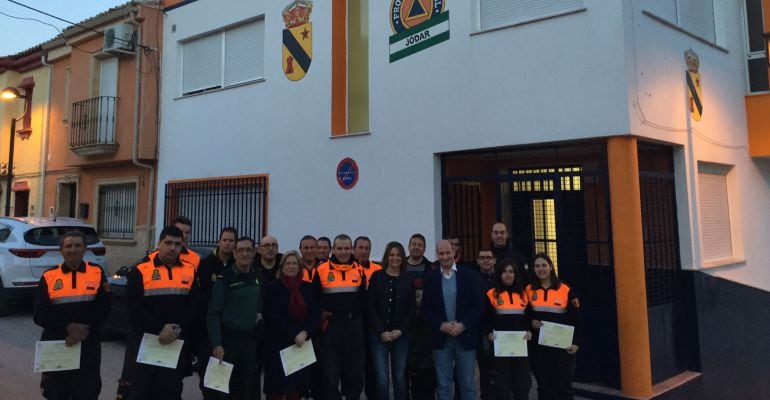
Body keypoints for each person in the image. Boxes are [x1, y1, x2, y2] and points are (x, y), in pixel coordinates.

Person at [122, 226, 200, 400]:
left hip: (175, 343)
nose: (173, 248)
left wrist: (176, 329)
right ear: (159, 244)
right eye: (168, 243)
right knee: (141, 391)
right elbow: (133, 307)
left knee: (171, 391)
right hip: (146, 343)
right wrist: (159, 328)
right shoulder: (141, 270)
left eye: (177, 244)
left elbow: (194, 305)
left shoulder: (190, 270)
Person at [33, 230, 110, 400]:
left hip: (87, 344)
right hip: (57, 343)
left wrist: (81, 332)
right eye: (68, 246)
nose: (73, 250)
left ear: (85, 249)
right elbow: (39, 314)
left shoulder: (97, 273)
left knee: (87, 391)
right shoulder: (49, 276)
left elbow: (104, 308)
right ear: (61, 250)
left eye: (78, 245)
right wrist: (69, 328)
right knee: (55, 392)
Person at [422, 240, 484, 400]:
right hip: (441, 339)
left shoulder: (469, 275)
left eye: (448, 252)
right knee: (443, 384)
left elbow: (478, 306)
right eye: (441, 253)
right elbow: (426, 308)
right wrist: (441, 325)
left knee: (467, 384)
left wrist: (463, 325)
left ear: (454, 252)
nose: (445, 256)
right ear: (437, 255)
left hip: (465, 336)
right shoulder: (430, 278)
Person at [207, 236, 263, 400]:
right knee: (224, 390)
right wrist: (217, 344)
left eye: (248, 250)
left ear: (254, 253)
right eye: (240, 250)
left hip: (249, 341)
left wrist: (259, 313)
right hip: (228, 342)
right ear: (234, 253)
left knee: (247, 388)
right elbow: (213, 313)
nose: (244, 253)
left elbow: (259, 301)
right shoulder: (225, 280)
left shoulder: (257, 277)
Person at [312, 234, 366, 400]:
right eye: (339, 248)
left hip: (354, 326)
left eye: (346, 248)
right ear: (333, 249)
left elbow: (364, 299)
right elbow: (314, 299)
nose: (343, 252)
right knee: (330, 374)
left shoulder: (359, 269)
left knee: (355, 374)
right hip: (332, 327)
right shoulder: (321, 270)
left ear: (351, 249)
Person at [263, 251, 320, 400]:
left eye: (295, 263)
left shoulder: (308, 287)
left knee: (295, 388)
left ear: (300, 266)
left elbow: (315, 314)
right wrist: (293, 334)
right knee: (276, 388)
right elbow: (272, 315)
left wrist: (305, 332)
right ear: (281, 267)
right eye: (288, 263)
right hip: (278, 343)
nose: (291, 266)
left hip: (301, 344)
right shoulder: (272, 287)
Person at [526, 253, 582, 400]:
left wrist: (576, 343)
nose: (541, 269)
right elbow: (525, 315)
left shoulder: (565, 289)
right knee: (544, 387)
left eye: (544, 265)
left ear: (550, 267)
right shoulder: (529, 290)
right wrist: (531, 322)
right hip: (539, 349)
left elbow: (577, 320)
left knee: (563, 387)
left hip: (562, 348)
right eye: (537, 266)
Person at [366, 241, 415, 400]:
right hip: (378, 335)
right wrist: (381, 332)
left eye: (398, 255)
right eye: (392, 255)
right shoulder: (377, 277)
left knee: (399, 376)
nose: (395, 258)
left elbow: (411, 309)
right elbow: (370, 306)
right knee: (382, 377)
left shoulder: (408, 279)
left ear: (403, 258)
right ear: (387, 257)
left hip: (401, 335)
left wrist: (400, 330)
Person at [195, 227, 237, 399]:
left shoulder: (238, 264)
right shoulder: (206, 264)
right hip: (208, 328)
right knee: (208, 374)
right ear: (219, 241)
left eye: (231, 240)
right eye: (225, 240)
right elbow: (201, 297)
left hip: (230, 328)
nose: (227, 243)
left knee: (229, 375)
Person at [485, 260, 532, 400]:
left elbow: (529, 316)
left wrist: (529, 330)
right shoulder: (492, 294)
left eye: (511, 271)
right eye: (504, 271)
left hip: (521, 345)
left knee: (522, 383)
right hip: (501, 346)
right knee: (502, 383)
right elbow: (487, 317)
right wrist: (489, 332)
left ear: (516, 274)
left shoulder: (524, 294)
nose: (508, 274)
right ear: (499, 274)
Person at [353, 236, 382, 400]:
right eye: (360, 248)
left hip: (372, 323)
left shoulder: (377, 270)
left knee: (372, 366)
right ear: (353, 249)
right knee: (355, 367)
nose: (363, 251)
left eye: (367, 248)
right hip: (354, 322)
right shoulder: (347, 268)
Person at [475, 248, 497, 400]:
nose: (485, 260)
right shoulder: (474, 280)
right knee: (485, 369)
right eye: (482, 257)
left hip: (501, 329)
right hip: (482, 330)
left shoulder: (501, 279)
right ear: (477, 261)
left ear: (494, 260)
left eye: (488, 257)